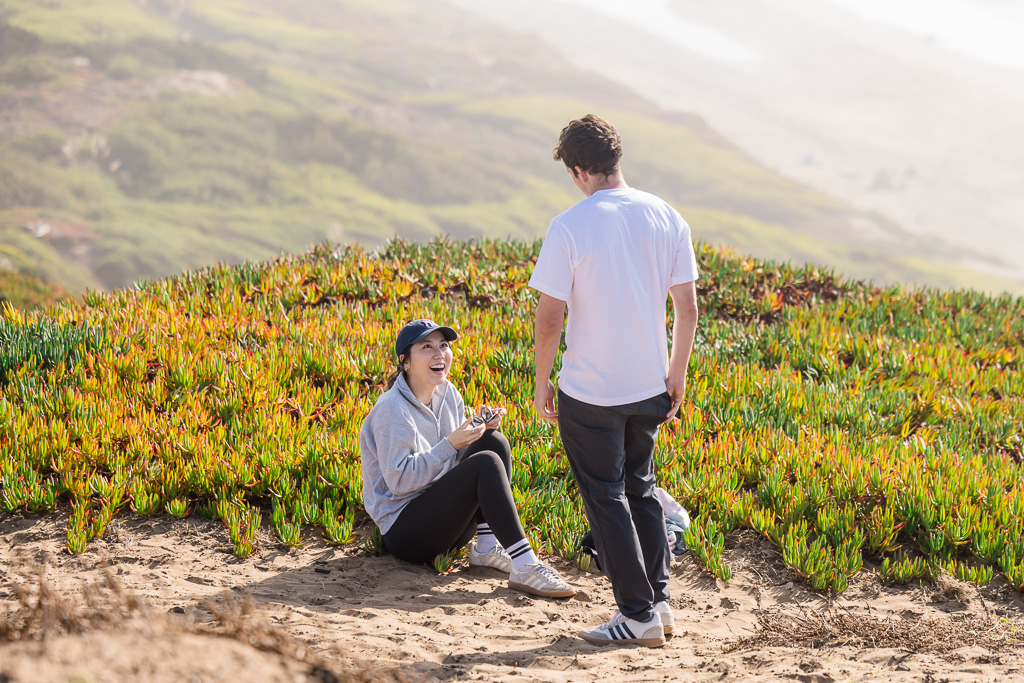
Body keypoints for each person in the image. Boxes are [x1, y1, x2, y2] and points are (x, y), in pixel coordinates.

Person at [530, 114, 700, 647]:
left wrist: (542, 380)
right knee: (641, 490)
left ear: (580, 169)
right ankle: (660, 604)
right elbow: (688, 308)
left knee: (606, 498)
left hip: (591, 391)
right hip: (650, 384)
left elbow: (550, 316)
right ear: (615, 159)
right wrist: (676, 374)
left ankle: (636, 614)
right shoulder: (667, 215)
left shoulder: (570, 225)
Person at [360, 318, 575, 599]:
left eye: (444, 346)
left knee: (492, 441)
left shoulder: (448, 393)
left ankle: (485, 548)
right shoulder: (392, 409)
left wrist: (477, 428)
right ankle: (525, 564)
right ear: (406, 361)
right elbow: (400, 482)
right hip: (407, 534)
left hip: (445, 523)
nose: (439, 354)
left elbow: (453, 461)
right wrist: (450, 443)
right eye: (427, 347)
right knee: (484, 463)